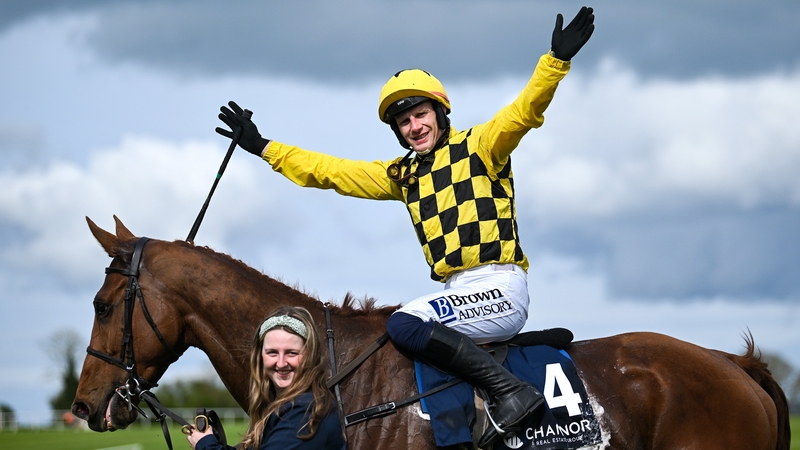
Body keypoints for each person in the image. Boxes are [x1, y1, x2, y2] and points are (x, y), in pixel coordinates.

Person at [215, 7, 594, 447]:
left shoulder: (483, 146)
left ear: (440, 111)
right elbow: (331, 171)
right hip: (460, 293)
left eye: (420, 114)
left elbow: (524, 112)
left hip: (499, 287)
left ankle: (511, 392)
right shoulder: (403, 176)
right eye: (404, 122)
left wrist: (554, 62)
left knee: (402, 323)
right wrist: (264, 147)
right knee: (403, 332)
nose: (414, 127)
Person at [186, 306, 345, 450]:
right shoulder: (286, 405)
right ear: (260, 356)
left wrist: (206, 446)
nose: (281, 363)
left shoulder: (305, 410)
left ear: (309, 356)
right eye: (272, 352)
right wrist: (206, 439)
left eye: (292, 353)